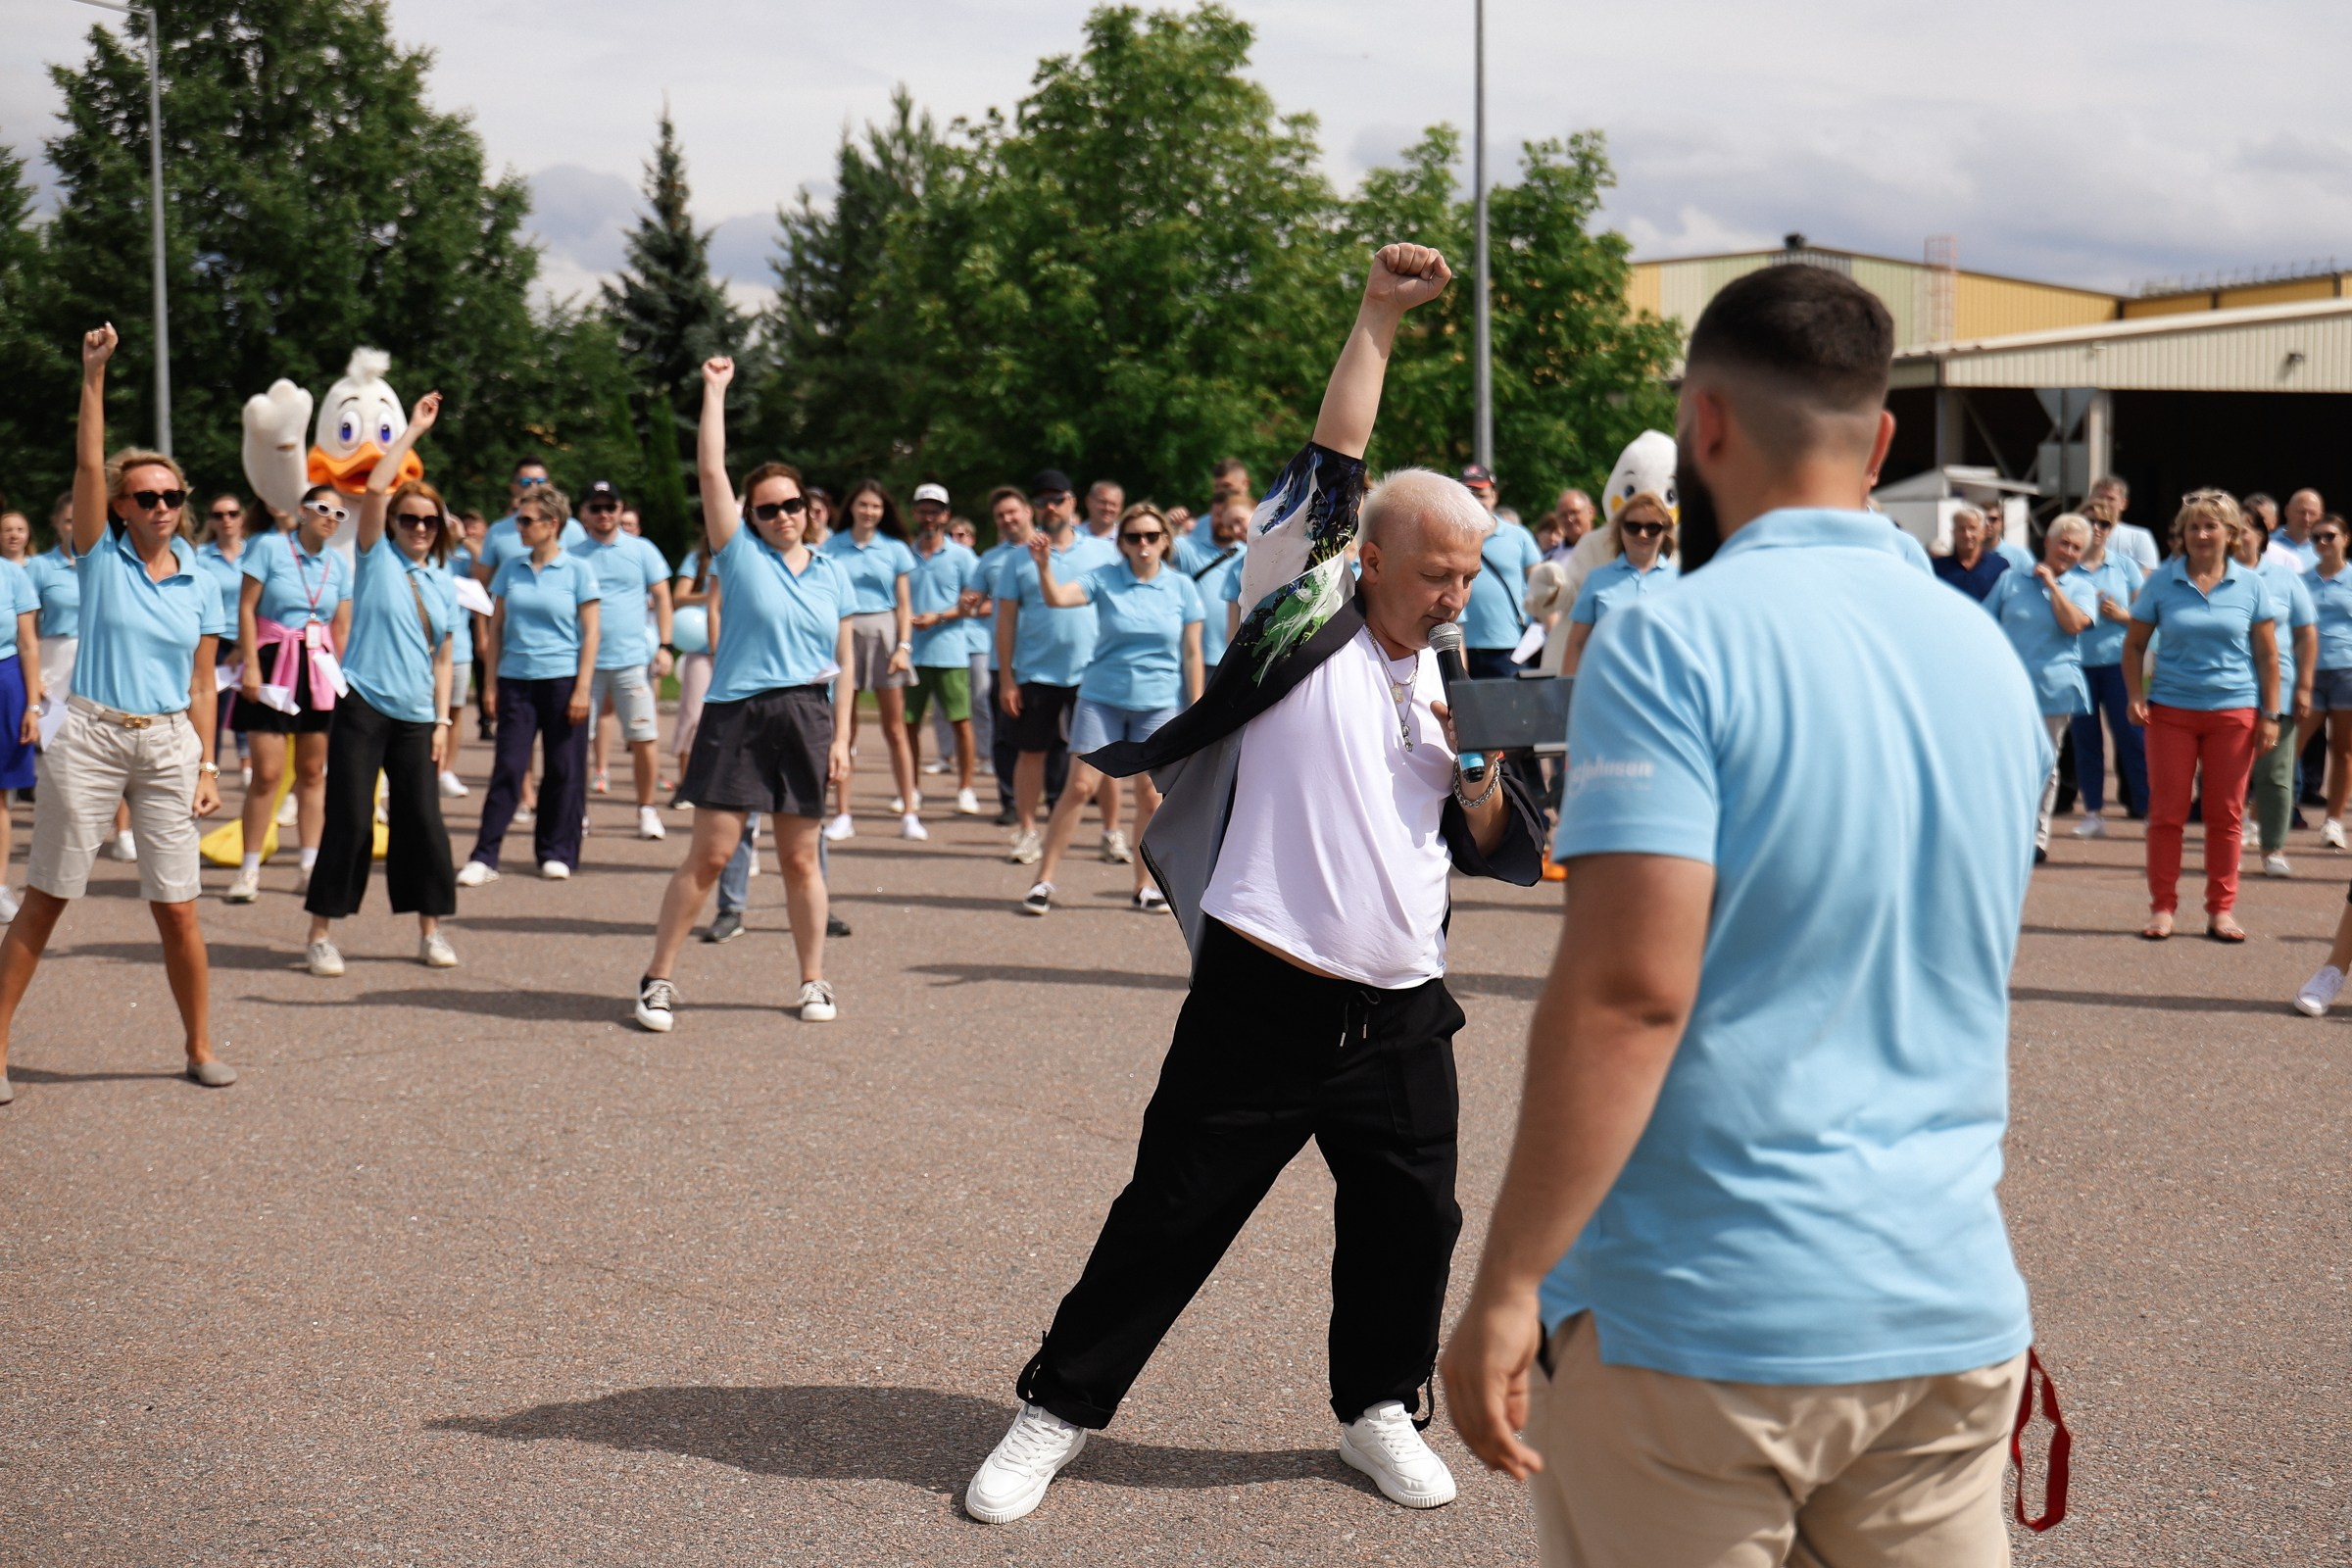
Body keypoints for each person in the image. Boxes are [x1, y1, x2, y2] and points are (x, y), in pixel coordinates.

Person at [1441, 261, 2050, 1568]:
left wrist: (1508, 1286)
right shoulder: (1987, 661)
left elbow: (1628, 996)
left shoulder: (1673, 640)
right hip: (1943, 1301)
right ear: (1882, 439)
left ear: (1703, 424)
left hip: (1703, 1318)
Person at [964, 243, 1544, 1527]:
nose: (1456, 594)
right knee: (1171, 1215)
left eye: (1471, 572)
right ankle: (1055, 1409)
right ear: (1370, 558)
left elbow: (1500, 830)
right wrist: (1378, 315)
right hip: (1265, 985)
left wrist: (1478, 782)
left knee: (1413, 1223)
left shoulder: (1464, 675)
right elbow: (1338, 460)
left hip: (1401, 1004)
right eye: (1436, 571)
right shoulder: (1301, 614)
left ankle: (1376, 1409)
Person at [0, 323, 236, 1104]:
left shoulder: (204, 579)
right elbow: (85, 463)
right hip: (94, 737)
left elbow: (204, 682)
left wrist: (207, 764)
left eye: (173, 495)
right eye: (147, 496)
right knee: (49, 898)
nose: (162, 506)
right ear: (123, 508)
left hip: (169, 743)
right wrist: (93, 376)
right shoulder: (99, 558)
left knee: (179, 910)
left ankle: (200, 1044)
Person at [634, 354, 853, 1031]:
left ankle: (813, 980)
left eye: (792, 504)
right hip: (739, 713)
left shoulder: (832, 572)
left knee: (799, 858)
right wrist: (714, 392)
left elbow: (842, 658)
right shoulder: (739, 552)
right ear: (750, 516)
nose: (783, 514)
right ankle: (657, 979)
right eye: (769, 508)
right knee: (711, 854)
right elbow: (710, 470)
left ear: (808, 508)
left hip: (807, 715)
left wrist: (843, 737)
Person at [301, 391, 461, 974]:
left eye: (428, 520)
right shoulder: (374, 556)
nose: (419, 527)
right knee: (350, 816)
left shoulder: (445, 582)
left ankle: (431, 931)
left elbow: (444, 657)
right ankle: (321, 932)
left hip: (418, 716)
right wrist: (412, 432)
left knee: (422, 820)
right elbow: (373, 489)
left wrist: (443, 720)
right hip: (364, 703)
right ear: (393, 524)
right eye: (409, 519)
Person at [1015, 503, 1203, 914]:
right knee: (1080, 787)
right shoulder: (1105, 578)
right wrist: (1044, 566)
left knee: (1149, 798)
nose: (1143, 544)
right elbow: (1059, 598)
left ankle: (1144, 887)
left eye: (1152, 536)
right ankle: (1043, 881)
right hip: (1101, 697)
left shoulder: (1181, 587)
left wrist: (1196, 708)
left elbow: (1192, 653)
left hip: (1156, 702)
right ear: (1121, 543)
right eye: (1134, 537)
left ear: (1165, 542)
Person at [2122, 490, 2279, 942]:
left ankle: (2221, 910)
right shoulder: (2161, 582)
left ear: (2230, 534)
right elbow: (2133, 646)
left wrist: (2272, 714)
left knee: (2225, 815)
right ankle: (2162, 908)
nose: (2201, 534)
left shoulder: (2251, 585)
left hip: (2235, 712)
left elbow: (2268, 657)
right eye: (2193, 526)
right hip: (2170, 712)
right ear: (2182, 535)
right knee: (2167, 813)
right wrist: (2136, 693)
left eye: (2211, 526)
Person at [458, 484, 602, 885]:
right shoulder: (510, 568)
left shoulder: (578, 570)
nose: (518, 526)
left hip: (562, 680)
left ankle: (556, 851)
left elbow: (591, 634)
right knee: (509, 766)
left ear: (552, 524)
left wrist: (583, 688)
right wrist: (488, 685)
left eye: (526, 520)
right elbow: (496, 628)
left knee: (563, 769)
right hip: (515, 682)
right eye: (518, 518)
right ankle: (484, 856)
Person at [225, 482, 353, 903]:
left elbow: (343, 626)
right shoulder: (269, 548)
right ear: (301, 510)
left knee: (314, 772)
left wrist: (341, 677)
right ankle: (248, 869)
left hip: (317, 665)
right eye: (322, 509)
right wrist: (251, 665)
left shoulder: (338, 565)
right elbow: (246, 607)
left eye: (339, 514)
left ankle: (309, 865)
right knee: (267, 773)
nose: (330, 518)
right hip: (273, 659)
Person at [996, 472, 1118, 865]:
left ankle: (1110, 831)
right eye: (1042, 500)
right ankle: (1027, 832)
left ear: (1072, 503)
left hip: (1093, 670)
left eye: (1057, 499)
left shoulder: (1102, 552)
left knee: (1105, 755)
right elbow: (1005, 621)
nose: (1050, 507)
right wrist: (1007, 678)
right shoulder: (1017, 558)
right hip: (1036, 673)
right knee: (1032, 753)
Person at [1984, 514, 2098, 858]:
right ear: (2046, 542)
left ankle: (2037, 837)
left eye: (2076, 548)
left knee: (2046, 764)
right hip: (2011, 687)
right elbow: (1986, 622)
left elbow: (2074, 625)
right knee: (2007, 762)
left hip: (2054, 687)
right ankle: (2004, 831)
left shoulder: (2082, 587)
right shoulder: (2011, 580)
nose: (2068, 551)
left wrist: (2053, 587)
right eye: (2063, 543)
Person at [567, 479, 673, 842]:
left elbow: (662, 596)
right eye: (595, 508)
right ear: (584, 513)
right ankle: (576, 811)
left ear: (619, 508)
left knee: (644, 737)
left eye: (609, 507)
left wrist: (665, 645)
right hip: (586, 665)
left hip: (632, 662)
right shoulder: (573, 554)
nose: (603, 514)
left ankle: (646, 810)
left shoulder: (642, 549)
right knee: (578, 741)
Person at [818, 479, 921, 842]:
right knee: (844, 728)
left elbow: (905, 603)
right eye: (863, 505)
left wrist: (903, 647)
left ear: (884, 510)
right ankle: (842, 813)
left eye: (875, 506)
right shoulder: (832, 546)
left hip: (886, 632)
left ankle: (909, 811)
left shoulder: (895, 549)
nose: (869, 512)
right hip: (844, 634)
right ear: (852, 508)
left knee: (896, 729)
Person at [2239, 511, 2316, 877]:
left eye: (2246, 530)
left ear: (2262, 535)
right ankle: (2228, 841)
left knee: (2275, 773)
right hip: (2226, 690)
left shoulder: (2285, 578)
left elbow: (2305, 633)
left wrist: (2303, 685)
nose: (2239, 537)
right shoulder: (2211, 576)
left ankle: (2273, 848)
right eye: (2232, 531)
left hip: (2278, 690)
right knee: (2226, 775)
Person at [2066, 499, 2148, 835]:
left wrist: (2122, 615)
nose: (2097, 530)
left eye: (2104, 524)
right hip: (2080, 662)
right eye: (2090, 522)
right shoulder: (2068, 568)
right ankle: (2094, 813)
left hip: (2118, 661)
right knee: (2086, 740)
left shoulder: (2125, 566)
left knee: (2132, 736)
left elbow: (2144, 614)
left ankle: (2148, 810)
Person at [904, 483, 984, 815]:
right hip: (909, 651)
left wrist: (939, 617)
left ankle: (966, 788)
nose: (928, 517)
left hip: (950, 650)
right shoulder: (903, 553)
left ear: (945, 515)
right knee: (908, 724)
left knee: (960, 721)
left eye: (935, 511)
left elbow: (974, 602)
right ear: (914, 513)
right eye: (923, 510)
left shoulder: (962, 555)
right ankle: (911, 789)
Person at [975, 487, 1043, 823]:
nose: (1007, 519)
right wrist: (969, 601)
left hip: (1044, 661)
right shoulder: (990, 558)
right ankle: (1011, 802)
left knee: (1053, 738)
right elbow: (972, 594)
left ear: (1028, 511)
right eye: (1000, 515)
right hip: (1001, 660)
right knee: (1005, 737)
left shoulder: (1051, 550)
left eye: (1012, 512)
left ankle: (1054, 798)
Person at [1560, 493, 1677, 676]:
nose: (1642, 534)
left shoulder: (1680, 580)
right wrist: (1565, 693)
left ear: (1665, 532)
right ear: (1620, 530)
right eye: (1633, 527)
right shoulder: (1597, 579)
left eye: (1652, 527)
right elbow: (1577, 643)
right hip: (1608, 690)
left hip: (1665, 692)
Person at [2297, 515, 2352, 847]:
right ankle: (2260, 820)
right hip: (2310, 672)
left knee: (2343, 750)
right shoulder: (2302, 580)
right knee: (2289, 747)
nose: (2322, 543)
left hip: (2347, 670)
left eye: (2329, 536)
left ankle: (2334, 822)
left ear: (2346, 538)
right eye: (2316, 537)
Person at [1459, 467, 1543, 677]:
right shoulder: (1450, 539)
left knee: (1516, 710)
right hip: (1461, 646)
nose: (1476, 501)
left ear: (1494, 496)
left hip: (1512, 649)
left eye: (1482, 495)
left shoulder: (1519, 536)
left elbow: (1542, 587)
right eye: (1469, 494)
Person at [0, 532, 39, 919]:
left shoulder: (11, 575)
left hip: (5, 680)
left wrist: (32, 705)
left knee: (0, 795)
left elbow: (28, 643)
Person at [470, 458, 586, 584]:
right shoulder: (498, 531)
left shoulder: (572, 528)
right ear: (513, 488)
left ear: (550, 486)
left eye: (540, 481)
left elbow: (584, 575)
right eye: (526, 482)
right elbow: (483, 581)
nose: (534, 487)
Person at [1176, 495, 1250, 670]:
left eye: (1239, 520)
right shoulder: (1237, 567)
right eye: (1229, 525)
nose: (1235, 529)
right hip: (1218, 659)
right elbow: (1232, 632)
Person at [670, 522, 719, 781]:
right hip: (699, 646)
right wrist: (713, 596)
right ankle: (687, 782)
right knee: (693, 714)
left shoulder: (749, 556)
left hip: (734, 647)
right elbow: (678, 597)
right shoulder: (698, 557)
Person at [1930, 505, 2008, 602]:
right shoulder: (1936, 568)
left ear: (1983, 532)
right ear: (1953, 533)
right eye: (1961, 529)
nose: (1967, 535)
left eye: (1972, 528)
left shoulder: (1999, 567)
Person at [2088, 474, 2161, 574]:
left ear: (2123, 504)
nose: (2104, 503)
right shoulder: (2078, 535)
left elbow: (2148, 576)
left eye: (2111, 499)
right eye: (2100, 497)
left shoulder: (2139, 537)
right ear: (2091, 500)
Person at [2278, 487, 2325, 569]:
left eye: (2312, 513)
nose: (2306, 519)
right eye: (2301, 512)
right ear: (2287, 511)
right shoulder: (2266, 542)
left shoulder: (2326, 550)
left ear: (2321, 517)